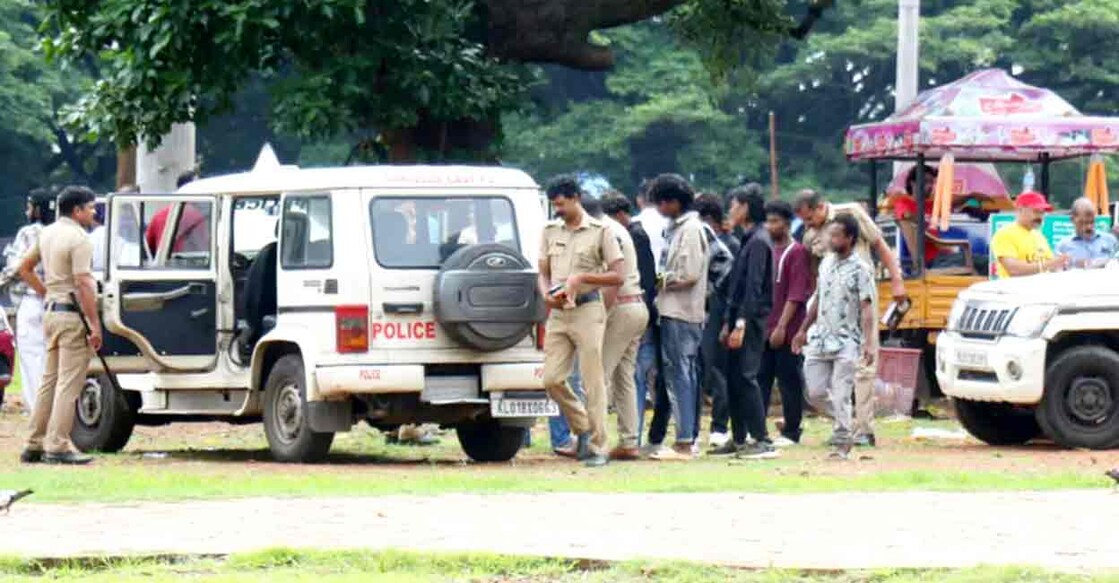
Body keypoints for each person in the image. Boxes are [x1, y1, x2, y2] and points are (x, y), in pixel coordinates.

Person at [794, 189, 907, 447]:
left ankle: (864, 429)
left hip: (862, 298)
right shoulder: (811, 235)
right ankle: (845, 422)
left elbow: (880, 245)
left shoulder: (852, 214)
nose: (808, 225)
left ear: (820, 206)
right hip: (830, 307)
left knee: (864, 365)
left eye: (810, 218)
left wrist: (897, 280)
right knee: (822, 379)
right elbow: (816, 273)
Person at [537, 176, 625, 468]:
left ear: (575, 198)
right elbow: (542, 272)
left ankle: (599, 446)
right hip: (559, 313)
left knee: (592, 381)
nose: (557, 210)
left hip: (588, 311)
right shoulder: (549, 231)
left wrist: (582, 279)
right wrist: (546, 294)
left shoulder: (602, 231)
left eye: (561, 204)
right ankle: (584, 427)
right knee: (551, 379)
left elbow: (617, 275)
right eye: (554, 205)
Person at [17, 186, 101, 465]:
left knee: (49, 381)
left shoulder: (47, 233)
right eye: (90, 207)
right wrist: (95, 324)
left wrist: (46, 293)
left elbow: (24, 268)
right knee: (69, 382)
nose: (94, 212)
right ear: (76, 210)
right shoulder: (79, 239)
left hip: (51, 313)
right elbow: (84, 283)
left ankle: (34, 442)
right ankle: (58, 444)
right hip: (71, 315)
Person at [792, 215, 877, 460]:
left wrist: (869, 343)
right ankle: (845, 419)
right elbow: (818, 299)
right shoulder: (826, 263)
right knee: (815, 391)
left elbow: (867, 308)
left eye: (836, 235)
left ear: (849, 238)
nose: (831, 240)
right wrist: (802, 330)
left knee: (841, 392)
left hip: (846, 340)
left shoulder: (861, 269)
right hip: (820, 337)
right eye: (830, 235)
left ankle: (842, 440)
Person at [647, 174, 709, 460]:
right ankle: (686, 437)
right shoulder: (676, 228)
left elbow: (689, 273)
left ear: (672, 202)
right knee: (679, 373)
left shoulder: (691, 229)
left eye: (661, 202)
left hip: (681, 311)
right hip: (672, 309)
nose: (659, 208)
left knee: (681, 374)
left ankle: (685, 440)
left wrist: (657, 280)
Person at [712, 186, 775, 459]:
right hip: (737, 317)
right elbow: (736, 287)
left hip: (751, 319)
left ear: (746, 207)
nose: (730, 212)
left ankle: (761, 438)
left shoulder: (760, 241)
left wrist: (741, 323)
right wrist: (728, 320)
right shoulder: (748, 239)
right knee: (734, 378)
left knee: (747, 377)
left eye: (734, 206)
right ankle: (738, 437)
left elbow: (754, 288)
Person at [586, 199, 649, 460]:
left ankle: (593, 441)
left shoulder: (603, 231)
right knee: (624, 378)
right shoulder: (617, 228)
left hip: (620, 308)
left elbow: (614, 279)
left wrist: (600, 315)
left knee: (598, 376)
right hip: (637, 306)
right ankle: (629, 440)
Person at [758, 200, 811, 446]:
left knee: (789, 380)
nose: (770, 226)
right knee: (761, 379)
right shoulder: (766, 249)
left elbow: (796, 294)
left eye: (775, 221)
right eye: (768, 221)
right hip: (763, 328)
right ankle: (758, 429)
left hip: (786, 329)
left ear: (788, 224)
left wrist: (781, 326)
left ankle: (792, 430)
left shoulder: (796, 252)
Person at [0, 188, 57, 414]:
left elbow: (17, 268)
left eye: (29, 205)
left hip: (32, 301)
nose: (27, 210)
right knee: (54, 360)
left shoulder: (29, 232)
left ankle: (38, 412)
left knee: (33, 360)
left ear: (37, 209)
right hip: (62, 303)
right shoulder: (65, 231)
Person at [694, 193, 739, 448]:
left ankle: (720, 425)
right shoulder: (724, 242)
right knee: (709, 369)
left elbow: (730, 286)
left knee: (717, 370)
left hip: (720, 313)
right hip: (711, 314)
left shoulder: (725, 246)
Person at [990, 191, 1069, 278]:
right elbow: (1013, 269)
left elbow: (1052, 267)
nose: (1039, 217)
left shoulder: (1039, 237)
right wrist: (1050, 264)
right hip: (1013, 290)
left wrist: (1062, 265)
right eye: (1035, 211)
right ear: (1020, 210)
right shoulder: (1004, 234)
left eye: (1042, 212)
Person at [1056, 198, 1116, 269]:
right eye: (1084, 223)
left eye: (1092, 222)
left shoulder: (1110, 240)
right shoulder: (1063, 246)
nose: (1089, 227)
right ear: (1072, 220)